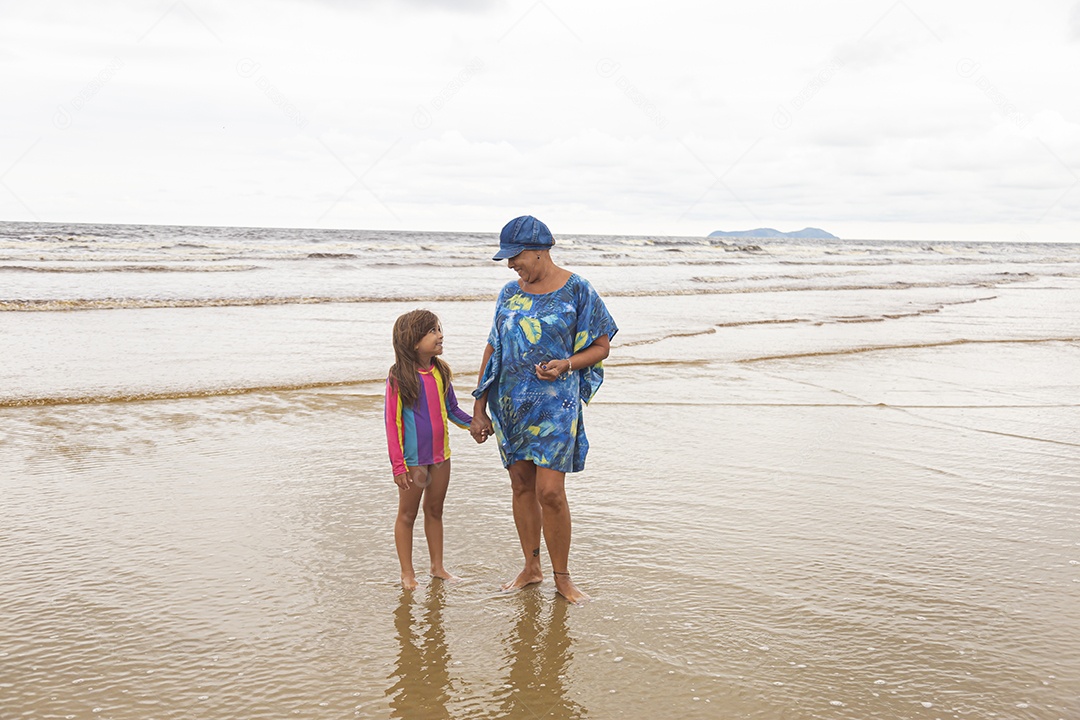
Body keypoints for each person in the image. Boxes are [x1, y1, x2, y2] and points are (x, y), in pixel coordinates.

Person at [470, 216, 618, 605]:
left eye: (515, 256)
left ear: (539, 250)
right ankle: (530, 567)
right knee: (521, 486)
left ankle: (563, 577)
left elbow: (601, 346)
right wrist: (479, 405)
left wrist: (567, 364)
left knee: (550, 492)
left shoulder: (578, 290)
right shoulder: (508, 293)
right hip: (511, 405)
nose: (510, 265)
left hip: (556, 405)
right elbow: (493, 348)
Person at [385, 309, 472, 590]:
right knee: (407, 515)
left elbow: (452, 410)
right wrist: (398, 466)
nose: (440, 335)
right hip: (414, 462)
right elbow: (392, 422)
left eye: (438, 329)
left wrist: (476, 425)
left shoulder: (441, 371)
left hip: (440, 457)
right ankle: (407, 574)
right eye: (432, 331)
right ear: (412, 341)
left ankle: (437, 567)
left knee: (435, 510)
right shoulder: (399, 376)